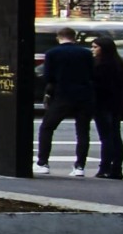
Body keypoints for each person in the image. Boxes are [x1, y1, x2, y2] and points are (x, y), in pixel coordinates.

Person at [39, 26, 98, 176]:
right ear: (75, 37)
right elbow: (93, 74)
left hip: (62, 95)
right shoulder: (85, 53)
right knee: (83, 131)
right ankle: (79, 167)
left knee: (47, 127)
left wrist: (49, 92)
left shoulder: (52, 53)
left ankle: (43, 162)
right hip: (84, 95)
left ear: (58, 37)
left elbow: (48, 77)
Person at [94, 35, 123, 181]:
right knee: (115, 136)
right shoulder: (118, 63)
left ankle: (105, 168)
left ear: (104, 49)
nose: (93, 49)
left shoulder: (102, 65)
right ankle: (116, 169)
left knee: (106, 137)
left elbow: (100, 86)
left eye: (96, 47)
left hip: (103, 104)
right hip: (116, 104)